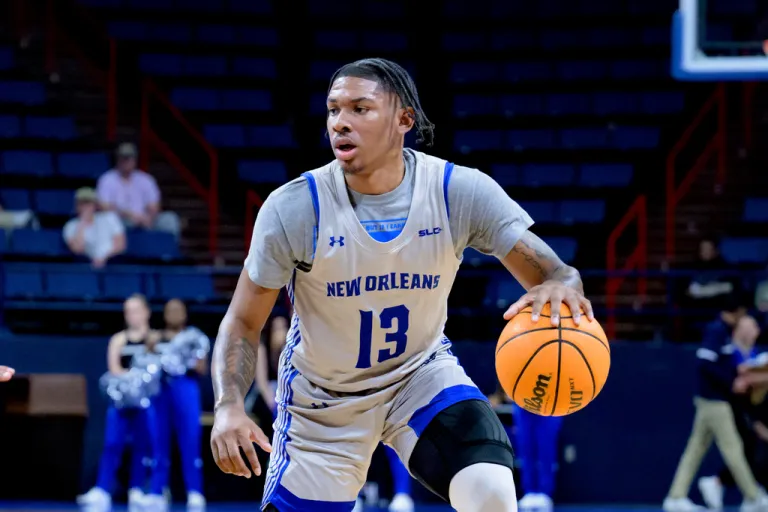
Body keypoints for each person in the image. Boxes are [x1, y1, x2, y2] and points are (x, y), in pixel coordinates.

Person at [209, 58, 593, 512]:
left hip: (419, 377)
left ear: (404, 120)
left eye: (360, 108)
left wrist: (563, 285)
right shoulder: (295, 207)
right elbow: (242, 321)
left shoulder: (456, 191)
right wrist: (228, 405)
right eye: (333, 110)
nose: (341, 123)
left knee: (491, 490)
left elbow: (558, 273)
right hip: (323, 401)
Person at [664, 308, 768, 512]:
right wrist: (731, 383)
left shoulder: (724, 332)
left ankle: (676, 496)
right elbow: (706, 364)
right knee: (733, 449)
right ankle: (753, 496)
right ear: (737, 312)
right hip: (714, 401)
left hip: (712, 400)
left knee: (695, 449)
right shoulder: (716, 330)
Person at [78, 295, 165, 512]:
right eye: (128, 311)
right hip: (121, 402)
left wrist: (141, 383)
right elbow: (114, 369)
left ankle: (137, 490)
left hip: (146, 403)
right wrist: (132, 382)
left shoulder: (155, 338)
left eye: (136, 310)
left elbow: (157, 369)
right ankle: (102, 490)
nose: (132, 316)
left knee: (144, 445)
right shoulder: (118, 339)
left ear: (146, 312)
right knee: (112, 444)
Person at [154, 299, 210, 511]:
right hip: (161, 389)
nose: (174, 314)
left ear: (185, 314)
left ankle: (195, 491)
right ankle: (158, 491)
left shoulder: (195, 337)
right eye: (170, 310)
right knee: (159, 439)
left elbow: (201, 367)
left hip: (186, 386)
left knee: (190, 439)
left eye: (178, 310)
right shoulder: (155, 338)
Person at [96, 142, 180, 238]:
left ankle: (168, 252)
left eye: (129, 158)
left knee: (170, 219)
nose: (126, 161)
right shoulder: (107, 179)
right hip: (121, 220)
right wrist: (129, 215)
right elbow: (104, 207)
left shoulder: (146, 179)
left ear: (135, 160)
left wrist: (147, 218)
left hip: (145, 219)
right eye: (123, 158)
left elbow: (154, 206)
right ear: (118, 159)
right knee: (115, 221)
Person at [63, 187, 126, 268]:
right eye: (82, 204)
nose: (85, 207)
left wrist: (103, 259)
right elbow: (78, 249)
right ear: (77, 206)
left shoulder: (110, 218)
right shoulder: (70, 226)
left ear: (95, 205)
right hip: (87, 264)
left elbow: (120, 245)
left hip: (111, 262)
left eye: (88, 203)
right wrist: (82, 224)